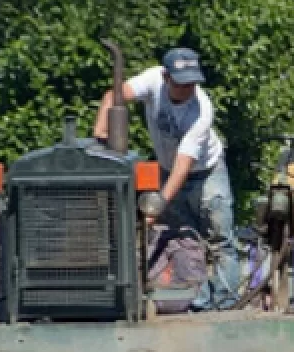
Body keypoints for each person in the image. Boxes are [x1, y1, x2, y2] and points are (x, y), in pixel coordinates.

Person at [91, 47, 239, 311]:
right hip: (169, 170)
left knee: (219, 238)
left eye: (192, 83)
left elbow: (183, 167)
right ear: (166, 77)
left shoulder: (201, 111)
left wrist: (155, 207)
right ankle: (193, 300)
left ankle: (226, 304)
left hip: (206, 172)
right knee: (182, 237)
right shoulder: (152, 80)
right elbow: (114, 95)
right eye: (181, 83)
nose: (187, 89)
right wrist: (100, 134)